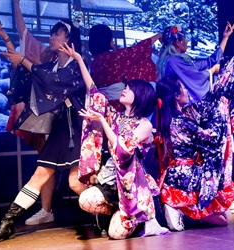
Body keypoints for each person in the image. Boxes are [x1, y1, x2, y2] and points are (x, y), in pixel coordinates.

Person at [0, 18, 86, 243]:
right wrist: (7, 41)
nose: (52, 37)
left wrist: (24, 61)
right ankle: (8, 223)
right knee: (40, 174)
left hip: (80, 129)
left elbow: (52, 81)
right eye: (52, 33)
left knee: (75, 182)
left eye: (57, 34)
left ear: (70, 40)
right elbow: (32, 73)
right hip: (61, 129)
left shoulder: (78, 65)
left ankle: (109, 212)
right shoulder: (51, 66)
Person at [59, 43, 170, 239]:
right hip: (112, 181)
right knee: (85, 200)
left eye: (129, 88)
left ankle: (139, 218)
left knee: (115, 235)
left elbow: (123, 150)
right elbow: (94, 91)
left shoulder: (144, 125)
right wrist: (79, 60)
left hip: (133, 187)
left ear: (141, 96)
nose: (124, 90)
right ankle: (116, 212)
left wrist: (102, 120)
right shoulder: (116, 116)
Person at [155, 54, 234, 230]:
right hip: (186, 178)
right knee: (225, 217)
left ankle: (186, 209)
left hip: (180, 174)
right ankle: (182, 209)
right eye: (183, 88)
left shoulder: (175, 117)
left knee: (233, 196)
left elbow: (205, 105)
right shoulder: (181, 121)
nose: (186, 91)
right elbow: (212, 139)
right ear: (176, 96)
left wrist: (219, 95)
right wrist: (222, 109)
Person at [156, 21, 234, 214]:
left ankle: (220, 197)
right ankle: (212, 199)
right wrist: (210, 73)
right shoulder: (173, 61)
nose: (186, 42)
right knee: (211, 151)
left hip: (192, 112)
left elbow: (208, 61)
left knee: (215, 152)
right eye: (185, 39)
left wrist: (225, 38)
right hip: (189, 114)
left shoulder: (180, 59)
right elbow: (199, 76)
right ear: (178, 42)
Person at [88, 24, 162, 112]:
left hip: (102, 106)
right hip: (119, 105)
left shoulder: (94, 62)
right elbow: (139, 49)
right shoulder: (115, 57)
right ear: (108, 40)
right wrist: (159, 35)